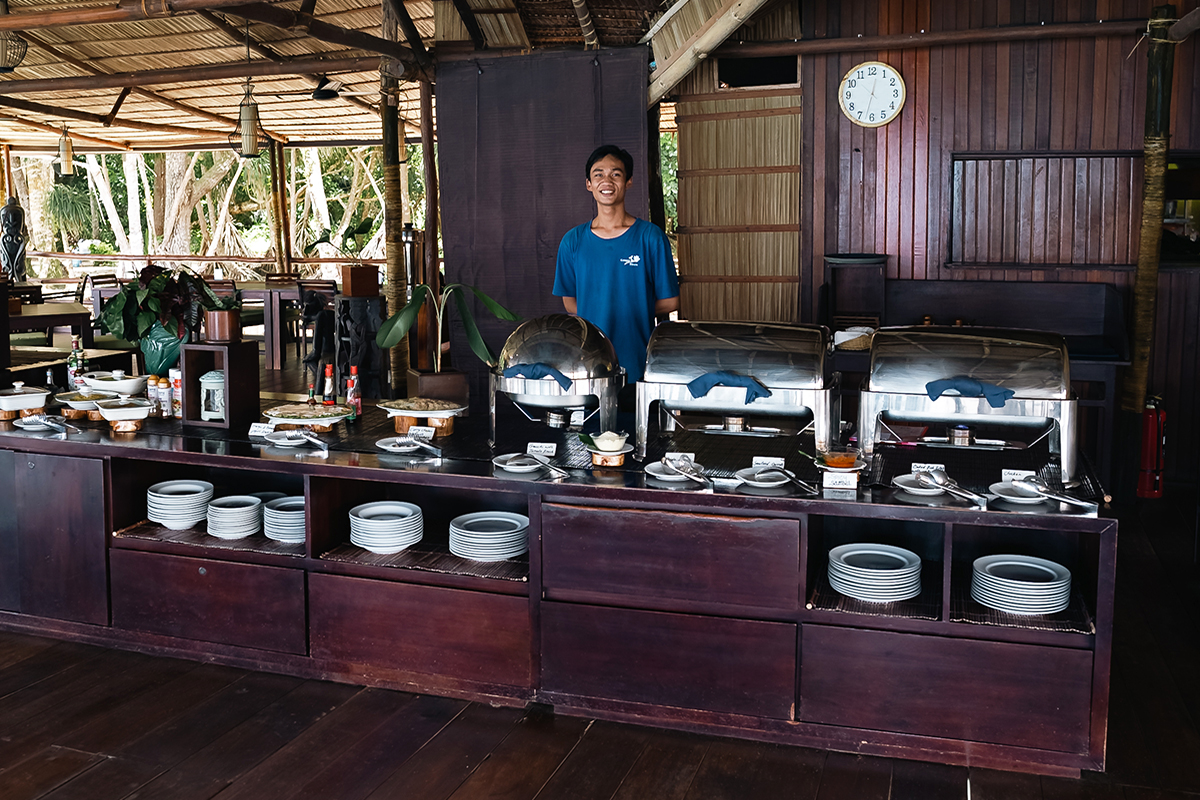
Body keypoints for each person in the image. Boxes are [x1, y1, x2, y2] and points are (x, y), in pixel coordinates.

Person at [553, 144, 679, 385]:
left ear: (629, 181)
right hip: (587, 365)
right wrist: (600, 310)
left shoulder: (650, 237)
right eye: (598, 174)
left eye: (616, 174)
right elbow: (569, 300)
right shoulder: (573, 241)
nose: (606, 181)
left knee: (637, 423)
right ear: (588, 184)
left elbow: (671, 300)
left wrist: (630, 309)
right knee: (592, 422)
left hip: (638, 364)